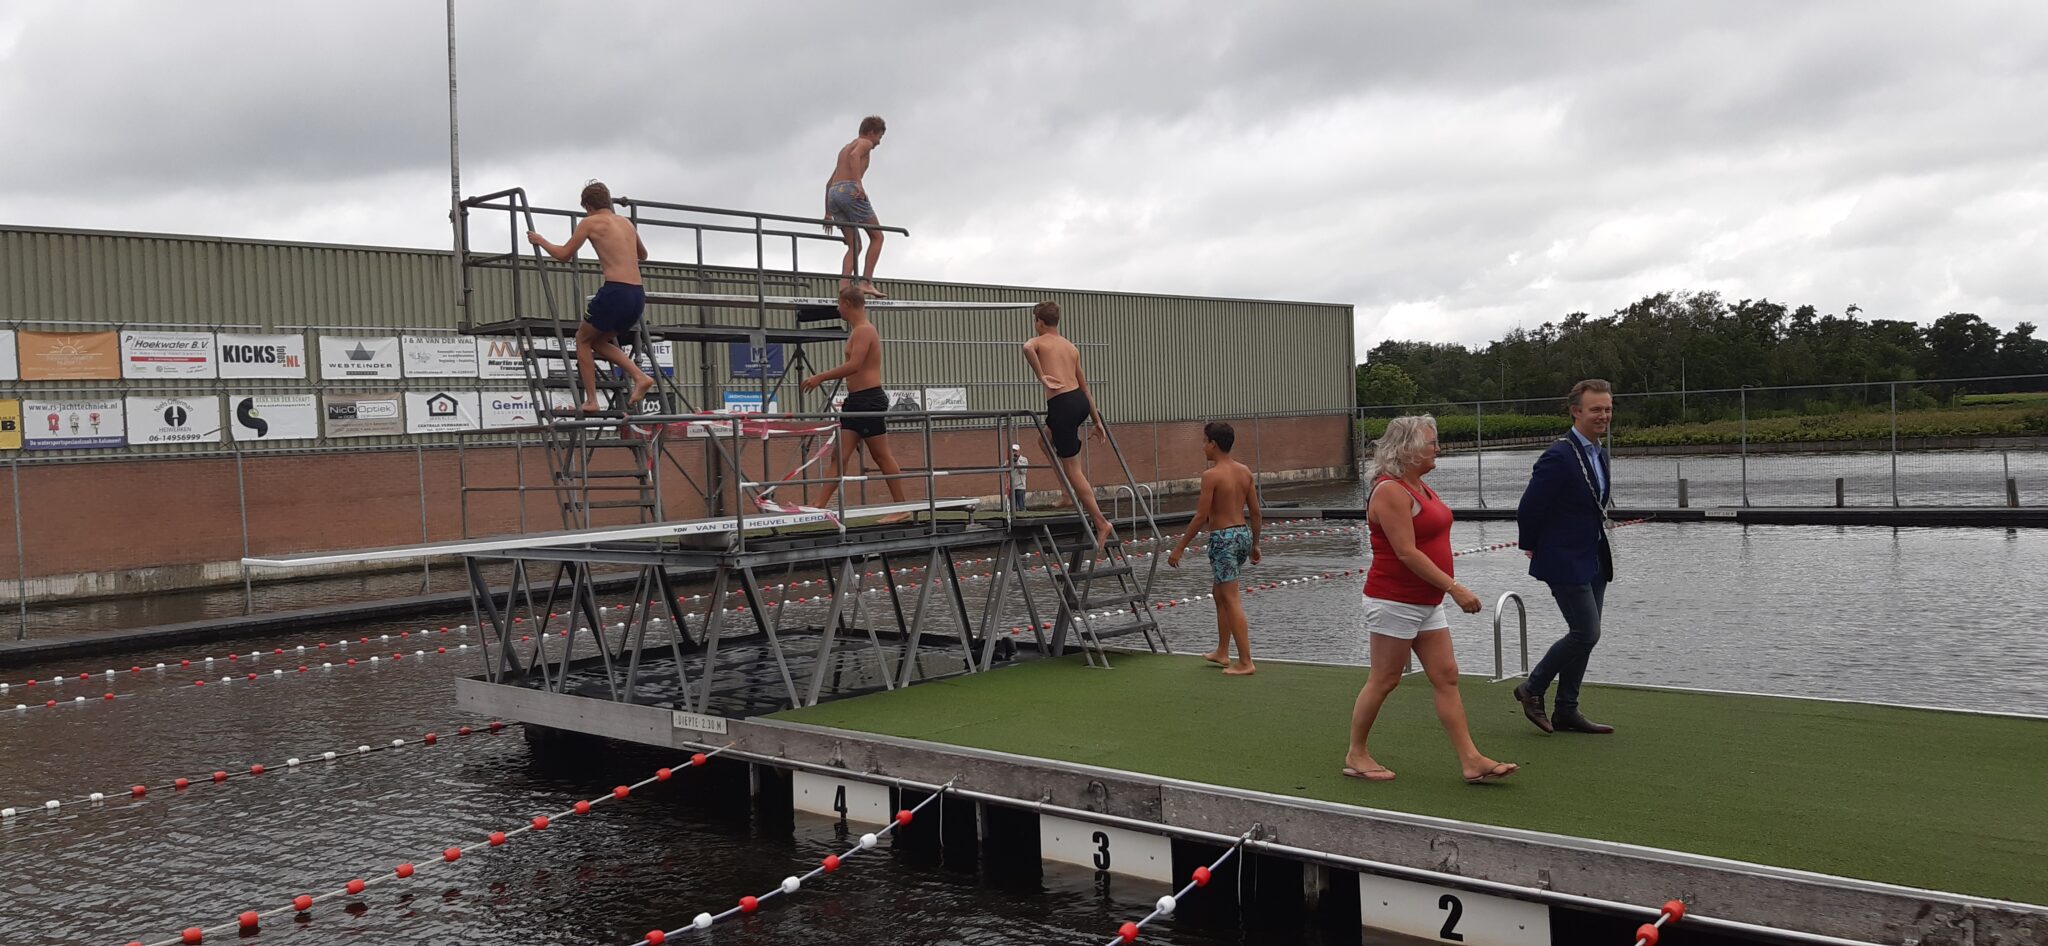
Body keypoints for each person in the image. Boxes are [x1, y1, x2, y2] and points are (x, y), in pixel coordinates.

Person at [1343, 415, 1517, 784]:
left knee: (1446, 676)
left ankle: (1471, 759)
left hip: (1425, 601)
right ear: (1405, 449)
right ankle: (1356, 753)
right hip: (1394, 600)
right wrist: (1455, 588)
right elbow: (1406, 552)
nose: (1438, 448)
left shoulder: (1419, 486)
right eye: (1430, 442)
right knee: (1385, 679)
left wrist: (1443, 591)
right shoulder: (1390, 490)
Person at [1513, 379, 1618, 735]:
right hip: (1563, 558)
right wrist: (1530, 542)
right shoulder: (1558, 455)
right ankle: (1533, 688)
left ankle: (1567, 709)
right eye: (1596, 409)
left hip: (1594, 557)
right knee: (1585, 633)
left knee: (1586, 634)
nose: (1603, 415)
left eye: (1607, 408)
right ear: (1576, 412)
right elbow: (1529, 507)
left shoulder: (1599, 452)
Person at [526, 181, 656, 415]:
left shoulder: (589, 222)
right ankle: (640, 376)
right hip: (637, 295)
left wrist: (541, 240)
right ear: (608, 202)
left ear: (587, 206)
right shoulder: (626, 223)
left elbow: (564, 255)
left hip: (615, 290)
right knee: (598, 341)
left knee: (582, 339)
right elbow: (643, 255)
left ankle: (592, 400)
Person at [800, 284, 911, 523]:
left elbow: (855, 365)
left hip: (869, 400)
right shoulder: (857, 330)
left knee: (881, 456)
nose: (837, 308)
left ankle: (902, 506)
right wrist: (866, 289)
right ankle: (820, 503)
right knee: (838, 456)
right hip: (854, 402)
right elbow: (852, 287)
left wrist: (820, 376)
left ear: (847, 305)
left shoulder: (864, 331)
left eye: (839, 304)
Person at [1167, 422, 1263, 676]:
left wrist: (1179, 548)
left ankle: (1245, 661)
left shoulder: (1211, 475)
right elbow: (1255, 512)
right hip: (1241, 534)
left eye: (1204, 441)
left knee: (1230, 598)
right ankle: (1222, 651)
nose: (1202, 447)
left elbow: (1201, 516)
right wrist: (1255, 543)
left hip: (1223, 539)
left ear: (1214, 444)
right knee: (1219, 593)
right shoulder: (1244, 472)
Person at [1021, 300, 1115, 547]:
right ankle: (1065, 493)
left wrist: (1042, 377)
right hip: (1079, 403)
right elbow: (1085, 387)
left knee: (1074, 470)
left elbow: (1026, 347)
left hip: (1062, 405)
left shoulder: (1039, 341)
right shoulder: (1071, 347)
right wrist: (1097, 421)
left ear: (1039, 322)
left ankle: (1100, 522)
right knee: (1044, 441)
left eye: (1035, 321)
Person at [825, 115, 888, 298]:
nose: (878, 143)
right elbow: (855, 156)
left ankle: (844, 284)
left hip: (834, 194)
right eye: (879, 137)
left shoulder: (844, 148)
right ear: (871, 133)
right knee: (877, 236)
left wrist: (828, 213)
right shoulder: (864, 143)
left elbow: (829, 183)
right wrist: (858, 184)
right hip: (850, 190)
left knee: (855, 245)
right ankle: (866, 282)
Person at [1009, 443, 1029, 511]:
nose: (1014, 452)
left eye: (1015, 450)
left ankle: (1023, 517)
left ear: (1018, 451)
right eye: (1012, 450)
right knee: (1013, 507)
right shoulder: (1009, 460)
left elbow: (1023, 471)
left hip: (1020, 486)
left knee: (1021, 505)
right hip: (1011, 486)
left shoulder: (1024, 459)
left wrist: (1017, 461)